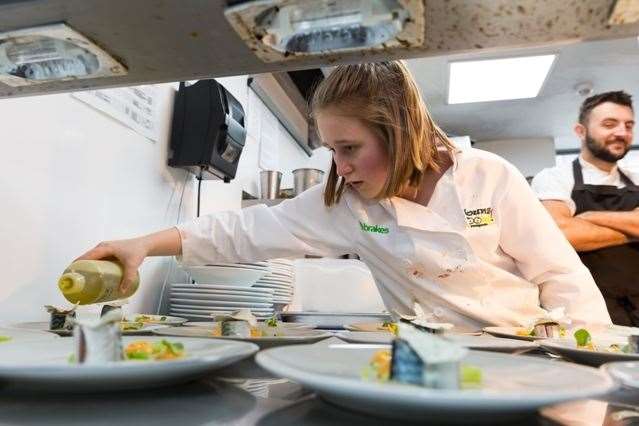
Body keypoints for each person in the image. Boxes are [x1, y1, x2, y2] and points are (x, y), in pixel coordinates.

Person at [79, 61, 611, 331]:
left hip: (521, 353)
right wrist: (141, 245)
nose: (341, 166)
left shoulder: (487, 177)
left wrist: (590, 371)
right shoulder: (348, 204)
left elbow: (561, 277)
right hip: (425, 366)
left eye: (351, 146)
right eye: (332, 149)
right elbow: (241, 231)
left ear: (399, 131)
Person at [532, 91, 638, 326]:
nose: (622, 132)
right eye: (610, 124)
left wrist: (590, 216)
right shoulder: (554, 178)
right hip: (588, 313)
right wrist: (631, 226)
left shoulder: (637, 177)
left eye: (629, 125)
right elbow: (562, 235)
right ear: (581, 131)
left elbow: (575, 229)